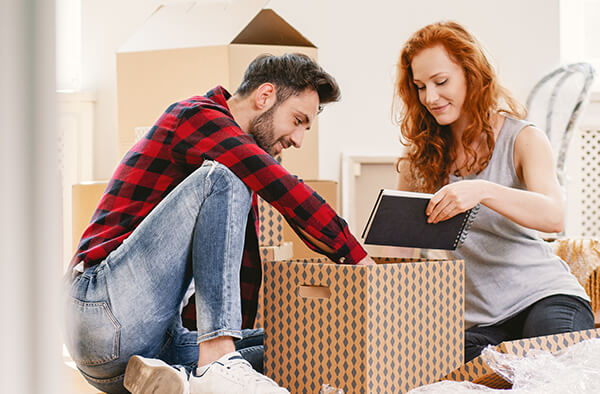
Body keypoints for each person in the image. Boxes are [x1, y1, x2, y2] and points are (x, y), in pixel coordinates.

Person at [64, 53, 375, 394]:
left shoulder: (233, 157)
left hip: (145, 348)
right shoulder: (195, 117)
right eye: (298, 120)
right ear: (265, 96)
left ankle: (183, 379)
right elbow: (285, 190)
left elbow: (233, 270)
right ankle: (216, 363)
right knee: (225, 176)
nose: (298, 140)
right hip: (99, 311)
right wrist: (357, 257)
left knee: (297, 348)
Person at [393, 21, 594, 363]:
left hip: (545, 296)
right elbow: (395, 245)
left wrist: (482, 190)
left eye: (441, 82)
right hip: (479, 320)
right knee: (445, 369)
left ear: (472, 74)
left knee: (551, 367)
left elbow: (552, 216)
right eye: (420, 86)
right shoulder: (421, 160)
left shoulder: (523, 139)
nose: (430, 97)